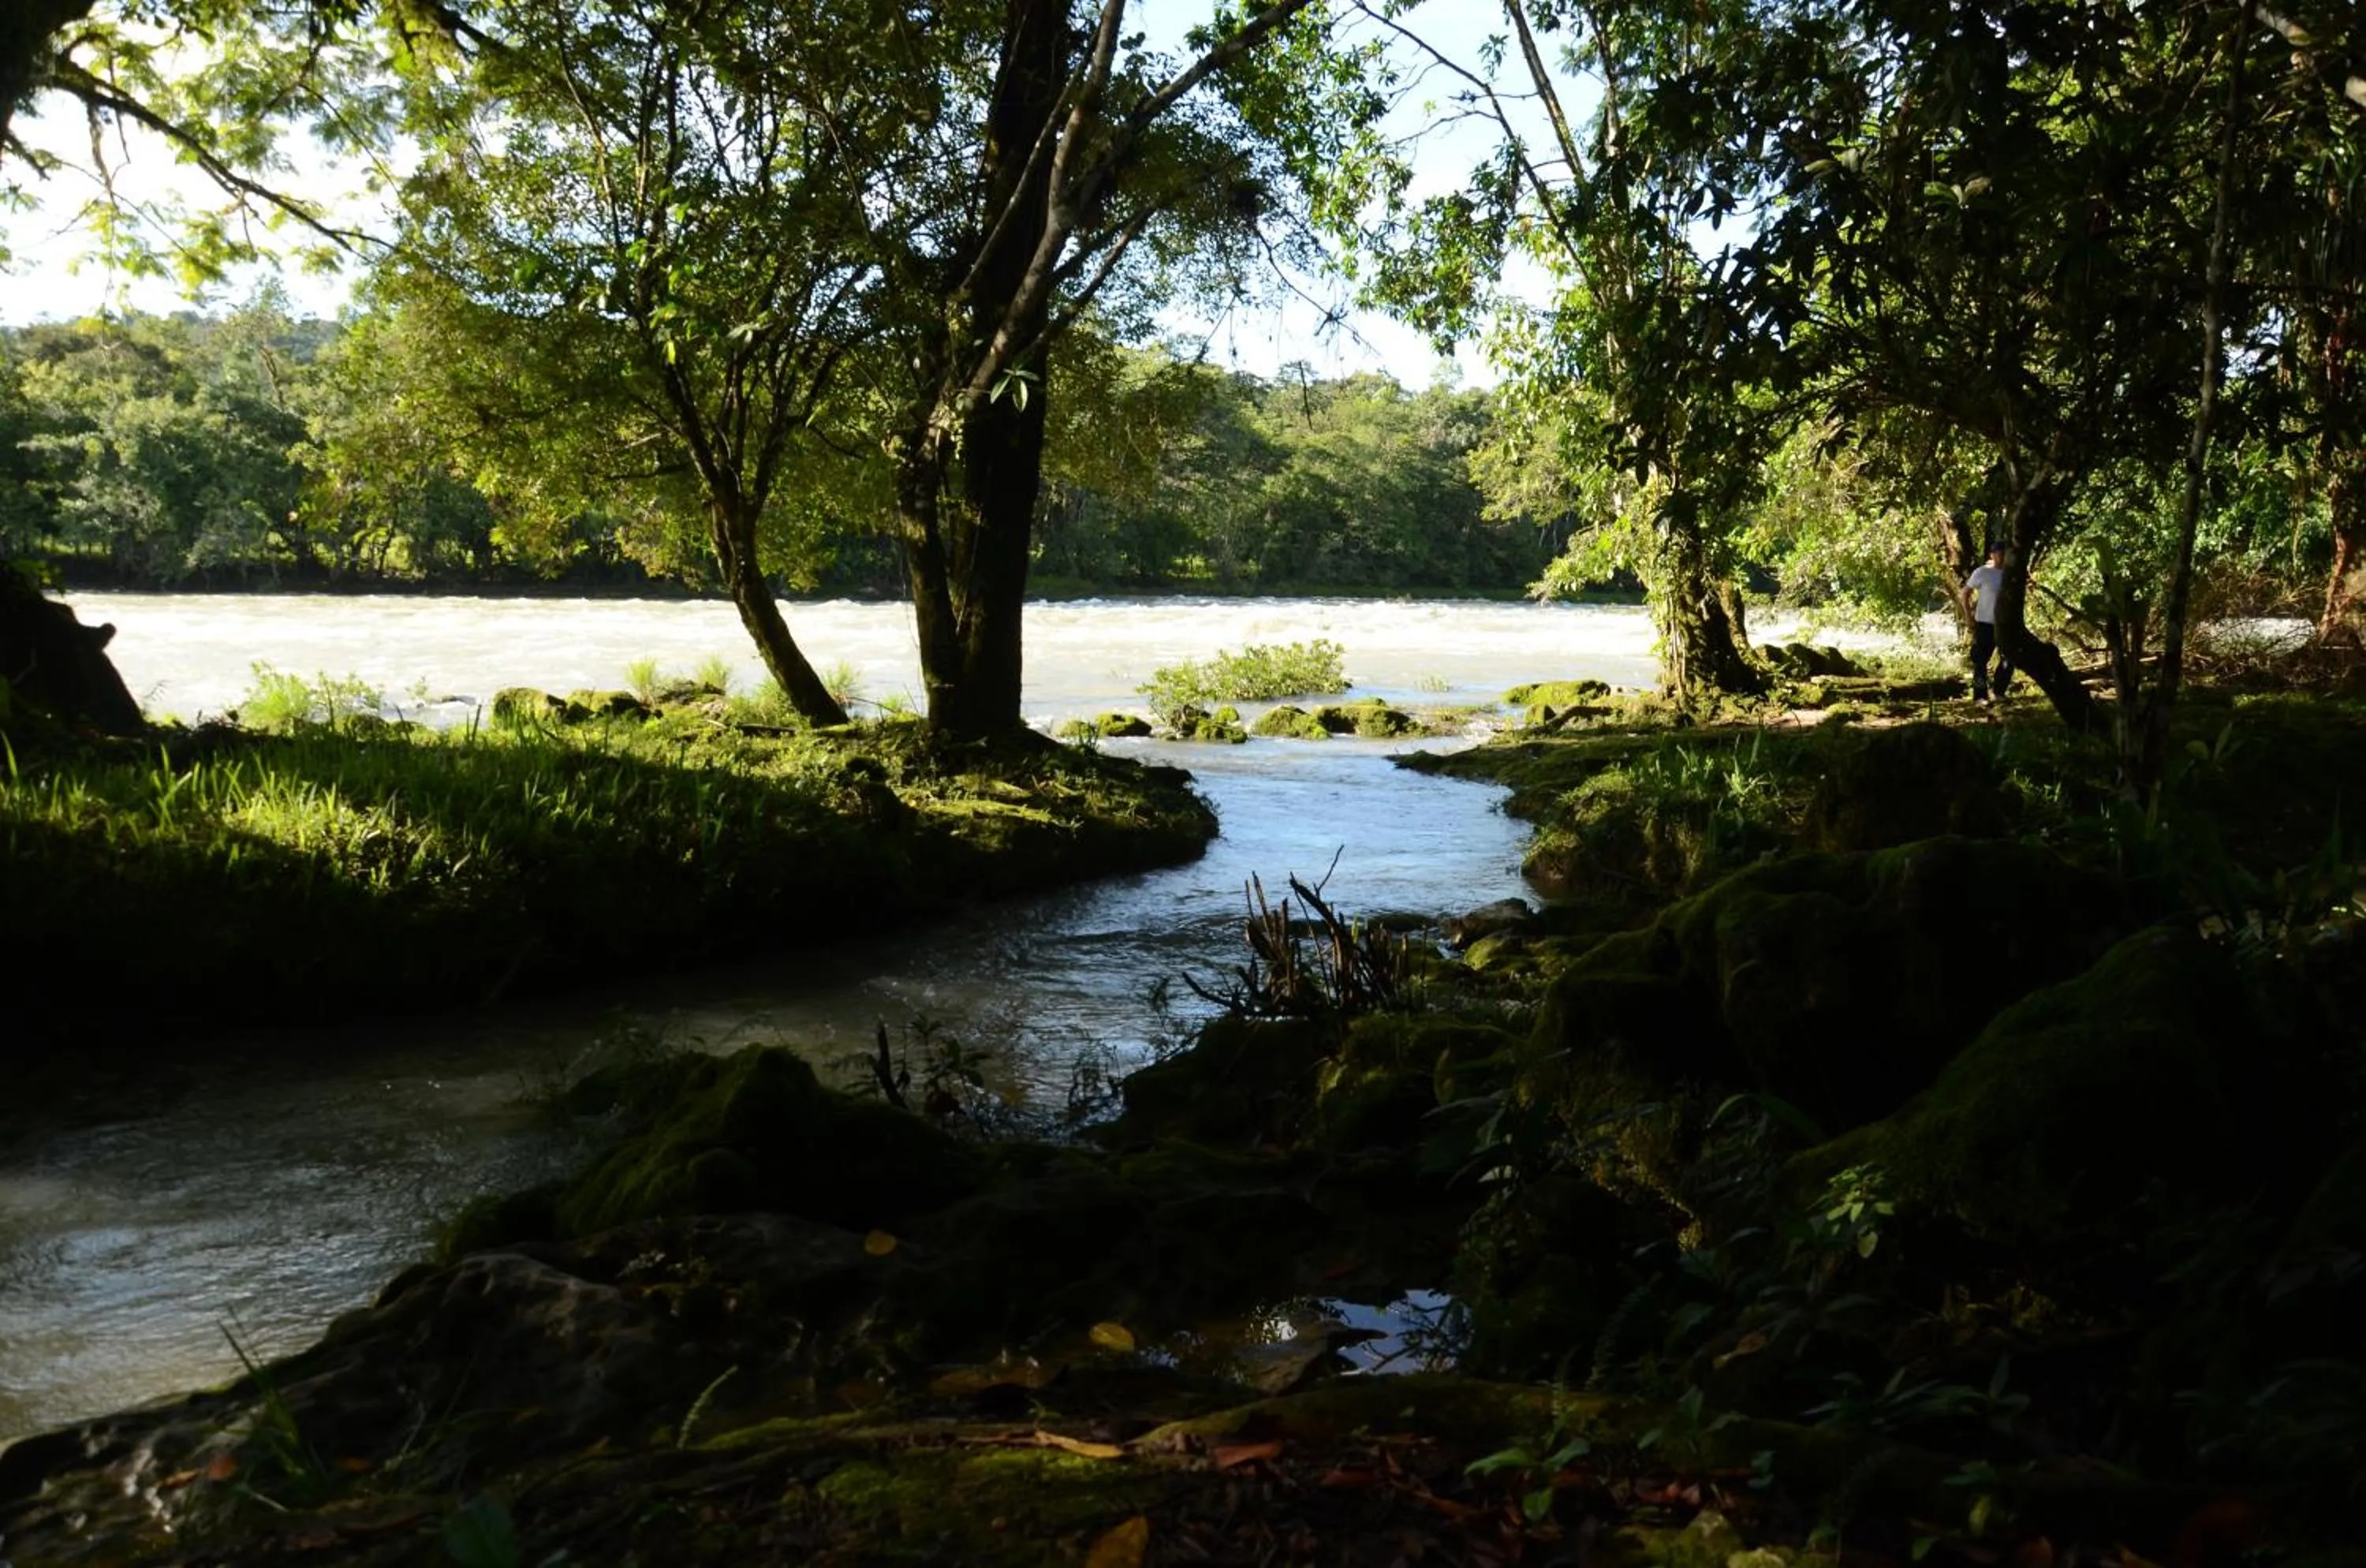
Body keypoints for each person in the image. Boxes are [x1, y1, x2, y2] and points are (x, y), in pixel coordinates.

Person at [1962, 546, 2013, 703]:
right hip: (1984, 623)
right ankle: (1980, 696)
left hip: (2005, 624)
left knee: (2009, 659)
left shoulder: (2011, 574)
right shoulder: (1983, 572)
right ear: (1992, 555)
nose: (2002, 557)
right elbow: (1965, 593)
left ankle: (1999, 692)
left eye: (2005, 553)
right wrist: (1969, 617)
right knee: (1980, 661)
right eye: (1999, 553)